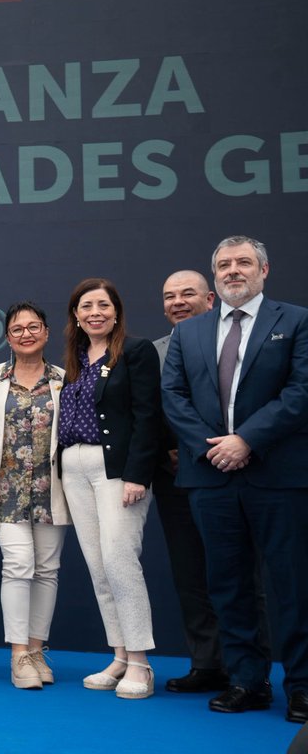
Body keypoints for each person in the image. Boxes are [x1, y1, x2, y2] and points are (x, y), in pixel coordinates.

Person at [162, 235, 308, 724]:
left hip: (277, 475)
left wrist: (245, 440)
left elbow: (300, 392)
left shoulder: (296, 320)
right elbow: (175, 398)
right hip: (211, 478)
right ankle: (248, 681)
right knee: (227, 585)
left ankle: (303, 686)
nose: (232, 271)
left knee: (292, 584)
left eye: (243, 262)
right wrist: (216, 448)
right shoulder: (189, 333)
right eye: (223, 264)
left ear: (263, 270)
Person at [153, 270, 270, 694]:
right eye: (169, 296)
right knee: (191, 577)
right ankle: (207, 662)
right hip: (176, 479)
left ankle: (249, 672)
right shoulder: (154, 351)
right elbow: (153, 412)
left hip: (236, 471)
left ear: (210, 300)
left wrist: (213, 448)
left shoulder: (238, 339)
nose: (177, 302)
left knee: (239, 574)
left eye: (187, 294)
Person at [58, 278, 162, 699]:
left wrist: (138, 474)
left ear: (116, 311)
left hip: (116, 468)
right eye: (86, 306)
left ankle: (141, 663)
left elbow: (148, 415)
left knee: (120, 560)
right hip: (73, 466)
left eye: (102, 305)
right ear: (76, 316)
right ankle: (119, 655)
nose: (94, 312)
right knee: (99, 566)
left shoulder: (136, 352)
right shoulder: (76, 358)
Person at [0, 301, 67, 689]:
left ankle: (35, 650)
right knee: (18, 565)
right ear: (7, 337)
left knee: (47, 571)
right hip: (6, 490)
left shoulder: (67, 378)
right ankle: (17, 656)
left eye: (34, 327)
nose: (26, 334)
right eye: (18, 329)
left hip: (53, 491)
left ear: (46, 333)